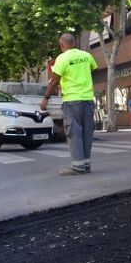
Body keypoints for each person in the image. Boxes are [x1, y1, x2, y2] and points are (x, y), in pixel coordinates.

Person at [41, 33, 98, 176]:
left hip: (72, 101)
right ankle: (86, 164)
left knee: (74, 133)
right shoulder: (86, 55)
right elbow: (93, 68)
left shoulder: (62, 58)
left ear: (62, 45)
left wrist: (46, 98)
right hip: (88, 100)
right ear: (74, 42)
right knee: (86, 133)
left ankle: (78, 167)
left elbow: (54, 80)